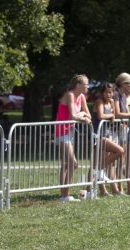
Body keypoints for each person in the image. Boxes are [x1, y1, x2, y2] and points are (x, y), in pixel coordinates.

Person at [55, 74, 92, 202]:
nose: (88, 86)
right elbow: (73, 116)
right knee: (73, 164)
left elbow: (89, 115)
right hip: (62, 131)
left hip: (70, 131)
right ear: (78, 85)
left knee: (67, 164)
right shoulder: (70, 95)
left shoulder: (81, 97)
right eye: (86, 84)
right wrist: (82, 115)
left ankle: (64, 195)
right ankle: (64, 195)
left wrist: (82, 115)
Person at [88, 83, 125, 197]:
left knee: (99, 163)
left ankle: (103, 191)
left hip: (108, 134)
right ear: (102, 92)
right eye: (106, 92)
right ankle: (90, 187)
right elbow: (100, 116)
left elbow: (114, 116)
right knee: (120, 151)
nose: (109, 94)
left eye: (111, 92)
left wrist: (117, 119)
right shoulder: (99, 102)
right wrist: (111, 116)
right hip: (98, 136)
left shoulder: (112, 102)